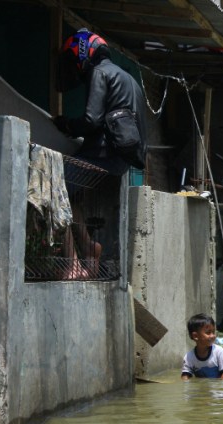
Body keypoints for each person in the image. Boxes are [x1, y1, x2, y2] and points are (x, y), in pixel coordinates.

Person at [53, 28, 147, 279]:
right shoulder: (128, 79)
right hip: (121, 160)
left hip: (102, 154)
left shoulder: (99, 72)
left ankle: (72, 263)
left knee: (54, 184)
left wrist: (68, 125)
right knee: (72, 197)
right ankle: (89, 249)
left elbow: (92, 119)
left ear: (82, 53)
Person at [181, 314, 223, 380]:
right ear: (195, 336)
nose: (213, 336)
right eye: (208, 332)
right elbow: (185, 376)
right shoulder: (189, 357)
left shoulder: (219, 352)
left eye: (213, 332)